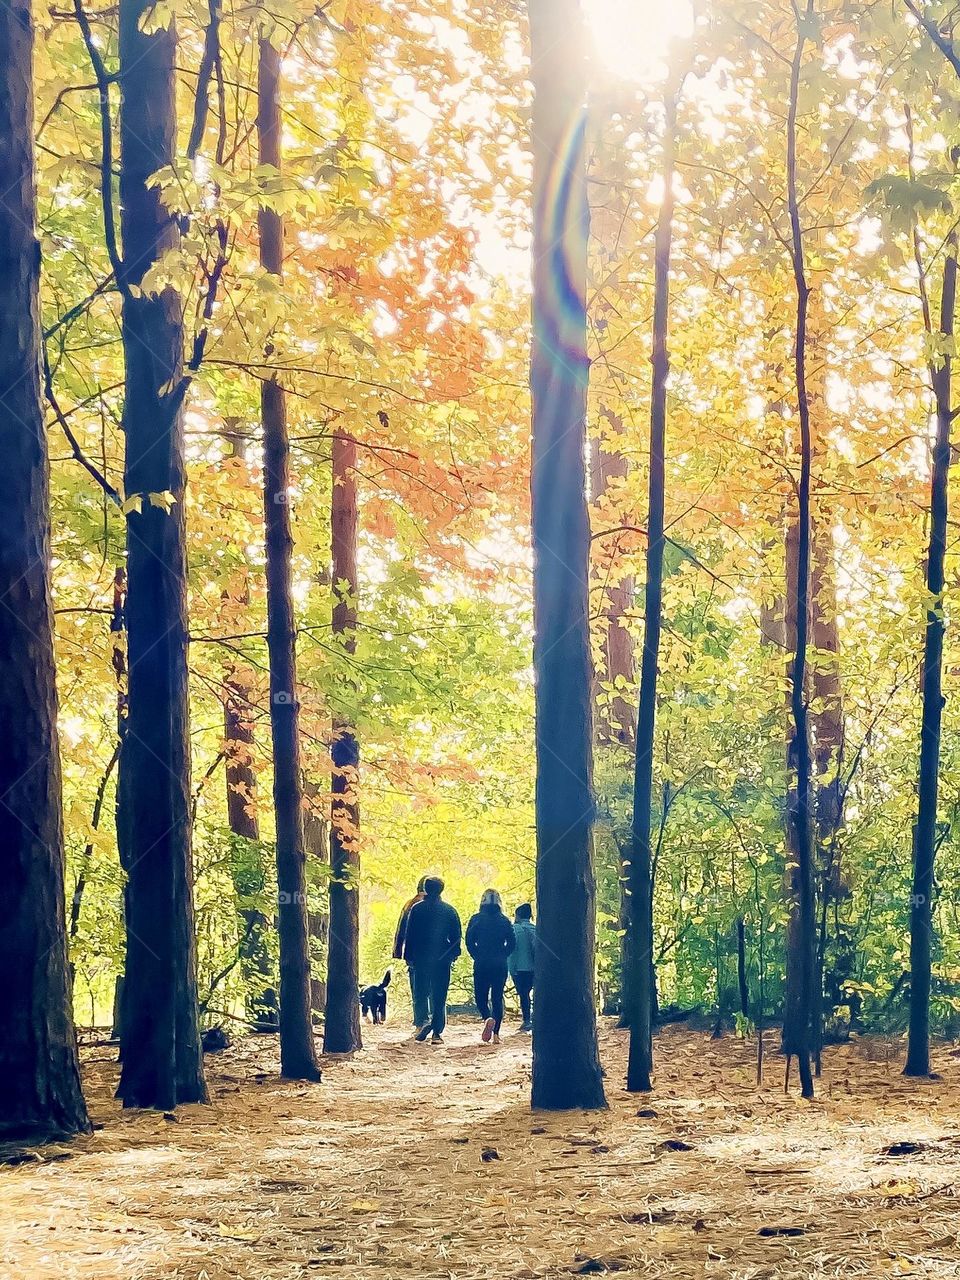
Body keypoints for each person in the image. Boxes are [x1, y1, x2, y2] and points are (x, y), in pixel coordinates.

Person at [402, 877, 462, 1044]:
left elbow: (410, 935)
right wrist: (453, 954)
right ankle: (437, 1033)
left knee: (421, 992)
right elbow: (456, 937)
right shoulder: (449, 910)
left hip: (421, 957)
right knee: (439, 994)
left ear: (426, 889)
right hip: (442, 958)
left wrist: (408, 956)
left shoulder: (416, 909)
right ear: (441, 890)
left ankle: (422, 1023)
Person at [465, 889, 515, 1043]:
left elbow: (469, 940)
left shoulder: (476, 919)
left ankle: (487, 1017)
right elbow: (512, 942)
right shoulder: (504, 920)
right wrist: (503, 954)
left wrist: (476, 954)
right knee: (497, 997)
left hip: (481, 962)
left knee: (481, 996)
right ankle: (496, 1034)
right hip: (500, 963)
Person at [393, 875, 428, 1026]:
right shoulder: (434, 906)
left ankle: (420, 1021)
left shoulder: (410, 904)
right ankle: (431, 1020)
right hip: (432, 953)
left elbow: (401, 929)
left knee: (417, 988)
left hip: (413, 953)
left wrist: (398, 951)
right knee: (432, 988)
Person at [509, 902, 535, 1032]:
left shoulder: (514, 929)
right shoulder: (535, 929)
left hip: (520, 968)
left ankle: (526, 1020)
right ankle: (535, 1018)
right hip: (535, 969)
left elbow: (512, 951)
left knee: (524, 995)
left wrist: (511, 968)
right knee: (535, 994)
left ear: (517, 915)